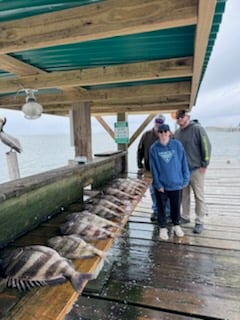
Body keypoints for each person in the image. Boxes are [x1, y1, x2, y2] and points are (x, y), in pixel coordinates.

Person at [149, 124, 190, 240]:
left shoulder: (177, 145)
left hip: (176, 183)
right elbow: (154, 168)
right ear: (158, 133)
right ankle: (162, 227)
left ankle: (176, 225)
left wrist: (185, 178)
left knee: (176, 206)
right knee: (161, 207)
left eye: (165, 131)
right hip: (162, 185)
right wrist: (157, 184)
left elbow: (183, 162)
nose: (163, 134)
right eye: (161, 132)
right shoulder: (154, 148)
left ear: (169, 132)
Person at [174, 110, 212, 234]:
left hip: (197, 169)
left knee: (199, 196)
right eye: (177, 117)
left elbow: (206, 146)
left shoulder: (198, 129)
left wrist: (205, 164)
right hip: (182, 171)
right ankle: (185, 216)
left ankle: (200, 221)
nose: (179, 119)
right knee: (184, 195)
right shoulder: (177, 132)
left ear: (187, 117)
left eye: (182, 116)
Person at [137, 114, 170, 221]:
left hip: (164, 170)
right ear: (154, 121)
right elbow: (140, 149)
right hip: (150, 170)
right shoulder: (146, 135)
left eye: (160, 122)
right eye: (157, 121)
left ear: (163, 123)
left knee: (166, 191)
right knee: (153, 191)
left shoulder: (168, 135)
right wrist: (139, 164)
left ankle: (167, 212)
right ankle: (156, 211)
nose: (158, 123)